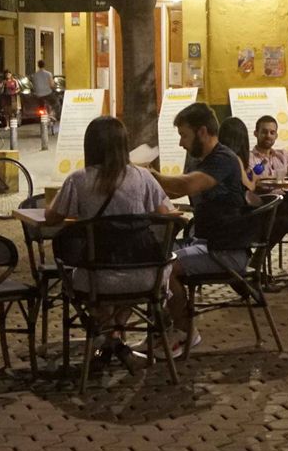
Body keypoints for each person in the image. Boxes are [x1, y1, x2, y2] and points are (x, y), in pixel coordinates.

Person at [151, 102, 253, 357]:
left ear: (203, 132)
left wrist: (148, 175)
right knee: (149, 257)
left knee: (165, 266)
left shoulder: (223, 160)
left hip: (226, 250)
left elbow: (186, 186)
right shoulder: (207, 160)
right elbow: (178, 190)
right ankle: (159, 332)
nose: (181, 143)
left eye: (184, 135)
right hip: (207, 243)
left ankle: (185, 334)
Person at [46, 115, 177, 291]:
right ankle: (120, 317)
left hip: (96, 277)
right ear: (124, 145)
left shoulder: (78, 180)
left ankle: (107, 318)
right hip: (146, 274)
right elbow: (165, 215)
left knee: (98, 293)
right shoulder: (143, 176)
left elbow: (51, 218)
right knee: (127, 293)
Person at [247, 115, 288, 189]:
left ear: (276, 136)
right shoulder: (249, 158)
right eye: (264, 132)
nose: (268, 136)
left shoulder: (285, 155)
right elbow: (250, 182)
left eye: (272, 132)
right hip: (264, 199)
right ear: (255, 133)